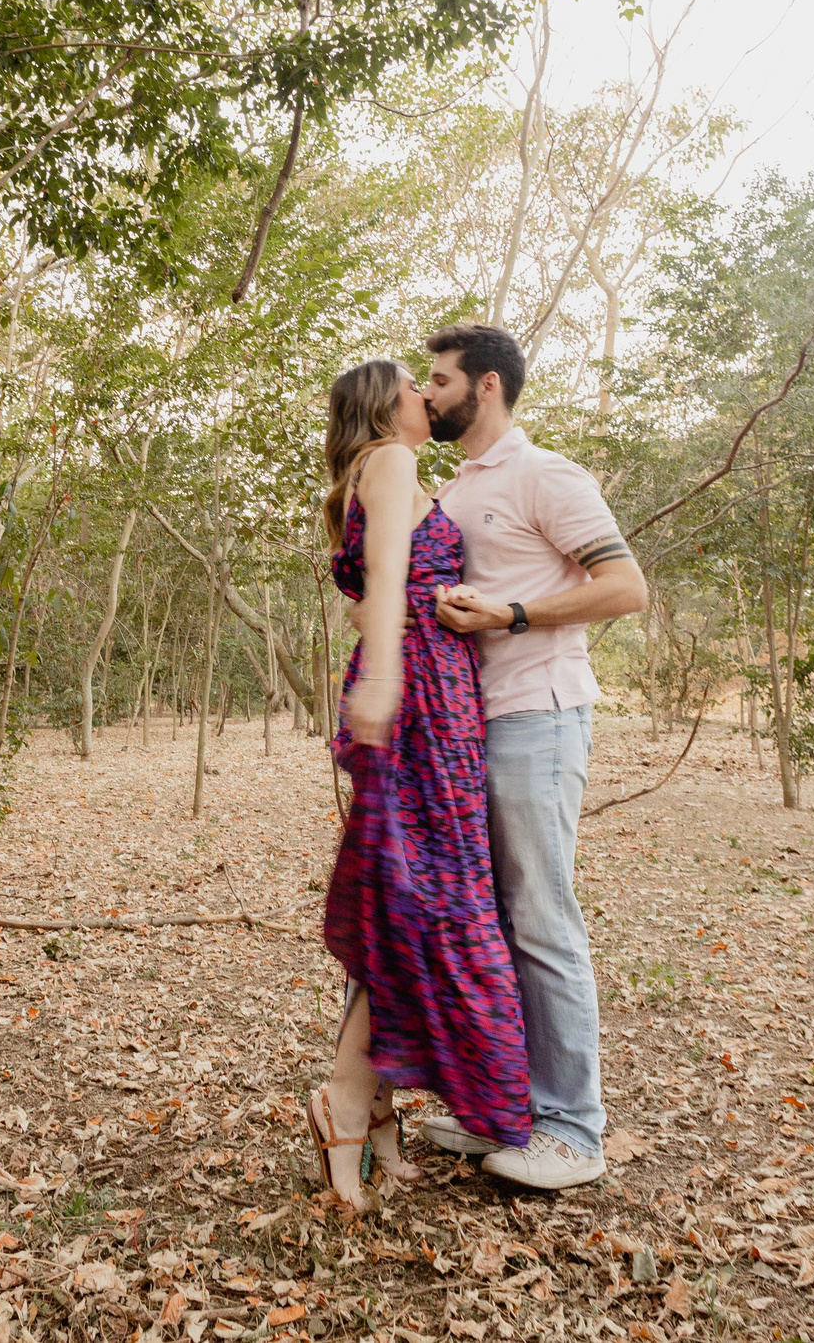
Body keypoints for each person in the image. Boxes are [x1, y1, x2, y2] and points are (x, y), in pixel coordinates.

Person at [417, 322, 648, 1190]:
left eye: (438, 379)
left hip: (540, 720)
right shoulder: (459, 484)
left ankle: (573, 1131)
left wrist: (512, 616)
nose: (426, 392)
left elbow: (625, 589)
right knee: (494, 918)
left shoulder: (545, 473)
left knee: (543, 919)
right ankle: (503, 1111)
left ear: (484, 387)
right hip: (471, 725)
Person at [309, 358, 534, 1216]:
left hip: (428, 682)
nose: (423, 397)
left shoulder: (374, 474)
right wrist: (385, 680)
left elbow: (379, 590)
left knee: (405, 902)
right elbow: (390, 581)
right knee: (421, 900)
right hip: (421, 695)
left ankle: (374, 1113)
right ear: (383, 402)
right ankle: (345, 1098)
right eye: (413, 384)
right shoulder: (393, 458)